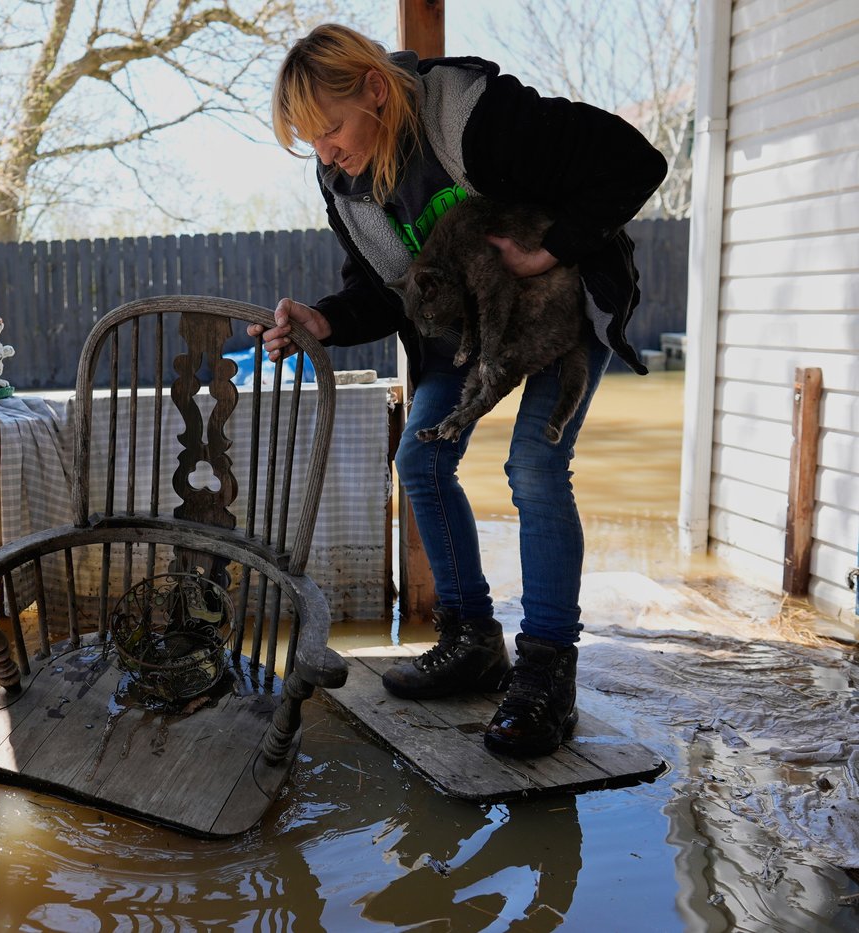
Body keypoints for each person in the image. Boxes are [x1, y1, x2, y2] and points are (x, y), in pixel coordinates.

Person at [252, 24, 666, 757]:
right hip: (468, 331)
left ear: (376, 90)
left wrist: (553, 248)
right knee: (420, 459)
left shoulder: (477, 117)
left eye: (333, 130)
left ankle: (545, 675)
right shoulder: (345, 185)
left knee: (535, 469)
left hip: (559, 309)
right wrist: (324, 317)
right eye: (309, 142)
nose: (326, 152)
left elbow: (635, 161)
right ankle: (473, 638)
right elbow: (386, 294)